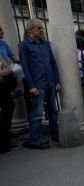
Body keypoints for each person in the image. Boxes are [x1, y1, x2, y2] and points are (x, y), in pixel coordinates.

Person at [19, 19, 60, 149]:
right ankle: (34, 139)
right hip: (38, 85)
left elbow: (53, 64)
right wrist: (31, 86)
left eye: (42, 28)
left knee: (53, 111)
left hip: (50, 83)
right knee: (37, 113)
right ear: (30, 30)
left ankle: (55, 134)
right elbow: (25, 67)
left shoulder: (45, 44)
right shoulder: (24, 45)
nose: (42, 30)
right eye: (38, 28)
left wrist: (57, 81)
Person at [0, 59, 16, 154]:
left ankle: (6, 142)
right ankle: (2, 145)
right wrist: (3, 72)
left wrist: (1, 73)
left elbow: (9, 69)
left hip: (3, 87)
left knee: (9, 109)